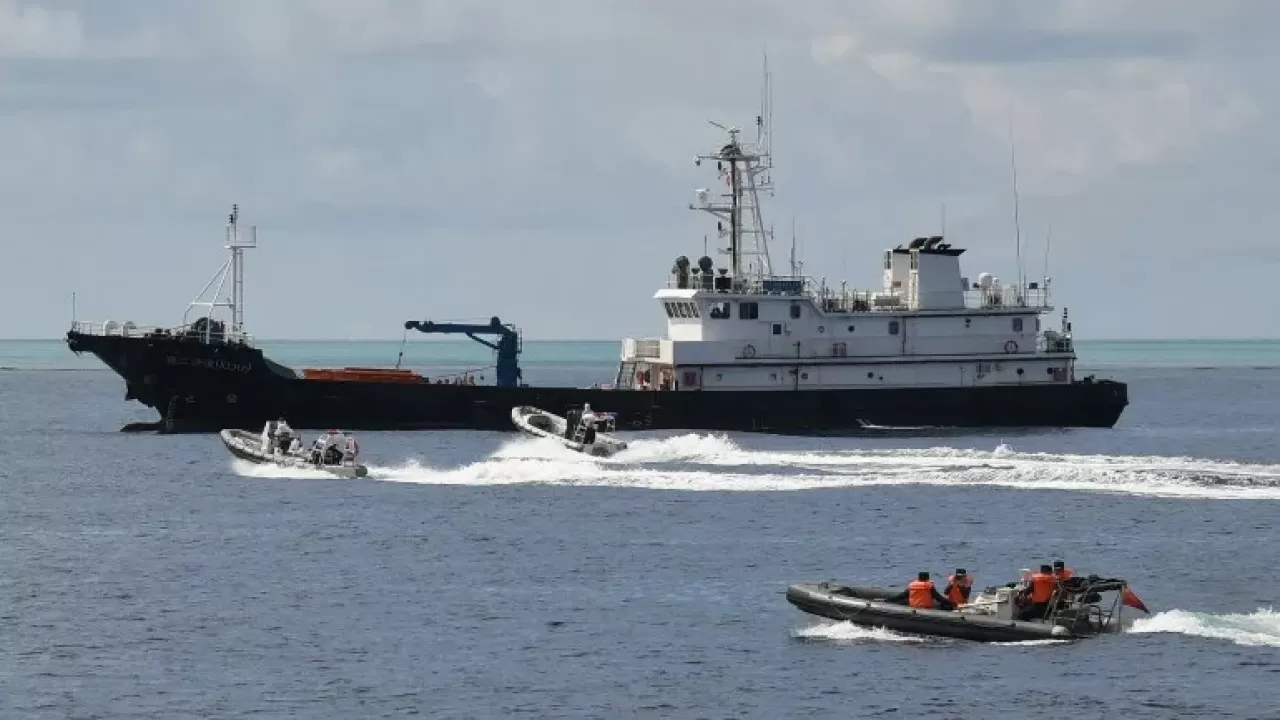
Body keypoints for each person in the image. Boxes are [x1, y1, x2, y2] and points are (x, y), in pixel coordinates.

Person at [885, 571, 955, 611]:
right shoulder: (929, 586)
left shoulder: (912, 586)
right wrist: (952, 603)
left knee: (903, 600)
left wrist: (888, 600)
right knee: (945, 606)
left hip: (914, 607)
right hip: (926, 609)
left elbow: (901, 596)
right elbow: (939, 598)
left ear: (918, 578)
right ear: (927, 578)